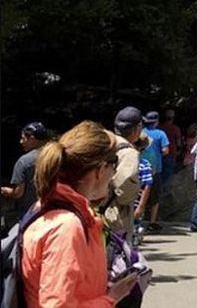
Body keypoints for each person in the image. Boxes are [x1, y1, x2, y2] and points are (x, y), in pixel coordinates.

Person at [21, 121, 138, 307]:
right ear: (100, 170)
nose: (114, 174)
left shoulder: (51, 207)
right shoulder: (66, 226)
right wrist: (111, 299)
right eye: (114, 164)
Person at [105, 106, 143, 240]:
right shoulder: (129, 153)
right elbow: (124, 191)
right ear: (137, 129)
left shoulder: (106, 143)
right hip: (115, 216)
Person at [1, 122, 50, 219]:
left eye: (23, 138)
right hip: (54, 210)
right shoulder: (56, 156)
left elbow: (18, 193)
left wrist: (7, 191)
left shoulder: (24, 162)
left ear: (32, 139)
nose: (20, 142)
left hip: (31, 213)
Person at [141, 111, 169, 232]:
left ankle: (139, 220)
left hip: (139, 167)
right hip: (155, 168)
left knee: (140, 194)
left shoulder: (141, 132)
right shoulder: (161, 134)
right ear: (156, 121)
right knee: (155, 197)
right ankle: (152, 222)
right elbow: (166, 150)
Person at [131, 134, 154, 247]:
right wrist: (142, 205)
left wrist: (140, 206)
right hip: (134, 201)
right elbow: (147, 186)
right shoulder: (144, 164)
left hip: (134, 203)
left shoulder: (143, 164)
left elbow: (146, 186)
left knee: (134, 228)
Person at [160, 109, 183, 186]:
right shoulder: (176, 129)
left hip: (160, 153)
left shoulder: (160, 128)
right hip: (171, 154)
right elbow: (179, 143)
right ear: (173, 118)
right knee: (167, 177)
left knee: (158, 174)